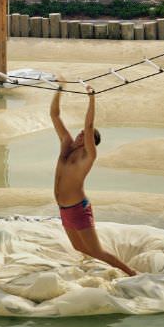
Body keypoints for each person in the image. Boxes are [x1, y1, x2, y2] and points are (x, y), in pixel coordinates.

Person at [51, 85, 137, 277]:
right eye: (80, 132)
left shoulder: (87, 156)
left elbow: (89, 126)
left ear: (89, 141)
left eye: (84, 135)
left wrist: (91, 98)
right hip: (64, 209)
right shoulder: (66, 147)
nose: (80, 134)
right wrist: (59, 90)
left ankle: (131, 272)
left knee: (96, 250)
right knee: (78, 247)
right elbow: (55, 116)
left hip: (78, 209)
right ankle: (95, 269)